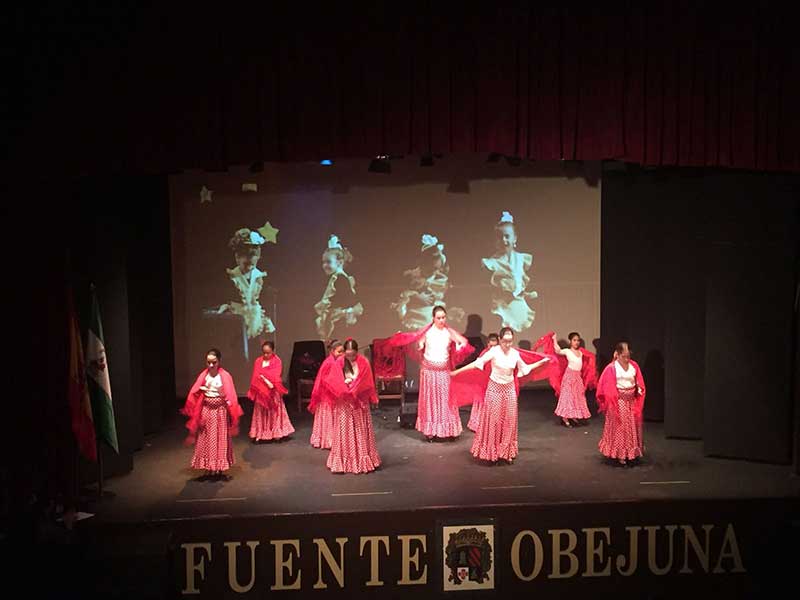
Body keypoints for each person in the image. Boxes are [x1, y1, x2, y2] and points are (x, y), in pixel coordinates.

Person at [452, 327, 550, 463]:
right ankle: (491, 451)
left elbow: (525, 368)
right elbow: (477, 364)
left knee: (509, 421)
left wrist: (541, 362)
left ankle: (505, 452)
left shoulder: (515, 354)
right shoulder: (494, 351)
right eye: (505, 342)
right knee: (494, 421)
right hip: (494, 390)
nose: (508, 345)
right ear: (499, 340)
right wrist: (456, 372)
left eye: (510, 342)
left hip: (509, 390)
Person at [388, 306, 473, 441]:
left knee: (446, 401)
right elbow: (417, 344)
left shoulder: (449, 332)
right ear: (433, 318)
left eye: (443, 317)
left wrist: (458, 347)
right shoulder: (427, 333)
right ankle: (431, 431)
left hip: (443, 372)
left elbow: (463, 343)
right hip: (429, 372)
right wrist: (414, 344)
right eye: (438, 318)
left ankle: (448, 430)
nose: (441, 320)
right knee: (431, 402)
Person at [321, 339, 381, 474]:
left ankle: (362, 459)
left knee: (359, 430)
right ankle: (344, 461)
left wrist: (354, 387)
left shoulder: (363, 362)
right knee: (345, 430)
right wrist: (344, 386)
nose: (350, 357)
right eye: (347, 354)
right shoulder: (339, 362)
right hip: (344, 402)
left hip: (358, 402)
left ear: (357, 352)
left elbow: (366, 382)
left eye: (352, 354)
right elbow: (332, 381)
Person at [181, 349, 243, 479]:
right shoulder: (204, 375)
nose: (210, 365)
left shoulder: (225, 376)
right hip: (207, 411)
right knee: (206, 439)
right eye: (208, 362)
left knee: (219, 439)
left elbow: (231, 397)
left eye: (213, 362)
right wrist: (200, 389)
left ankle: (218, 467)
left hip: (220, 412)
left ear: (219, 362)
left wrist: (224, 396)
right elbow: (195, 391)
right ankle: (208, 466)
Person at [391, 233, 465, 330]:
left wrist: (451, 312)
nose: (434, 271)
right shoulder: (410, 277)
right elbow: (398, 300)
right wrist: (416, 296)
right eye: (431, 268)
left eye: (436, 268)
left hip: (436, 324)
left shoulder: (442, 280)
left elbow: (442, 302)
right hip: (415, 321)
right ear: (423, 263)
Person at [481, 211, 538, 332]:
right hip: (502, 307)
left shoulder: (523, 259)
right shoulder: (491, 263)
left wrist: (527, 294)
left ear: (515, 238)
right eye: (500, 237)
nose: (503, 240)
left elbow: (520, 283)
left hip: (518, 305)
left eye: (507, 236)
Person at [596, 341, 646, 466]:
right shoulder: (612, 368)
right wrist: (612, 399)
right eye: (624, 356)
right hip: (618, 402)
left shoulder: (634, 366)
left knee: (631, 427)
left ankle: (632, 452)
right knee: (620, 428)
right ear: (617, 354)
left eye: (628, 356)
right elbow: (604, 385)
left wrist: (639, 389)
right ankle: (620, 454)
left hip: (631, 402)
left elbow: (638, 380)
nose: (626, 358)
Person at [535, 331, 597, 427]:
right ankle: (565, 418)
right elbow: (558, 351)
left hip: (577, 377)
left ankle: (573, 416)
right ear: (570, 341)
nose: (576, 342)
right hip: (569, 376)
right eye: (574, 340)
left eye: (578, 340)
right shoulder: (567, 351)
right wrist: (554, 339)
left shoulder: (580, 352)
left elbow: (587, 360)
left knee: (577, 397)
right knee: (567, 397)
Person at [314, 234, 364, 339]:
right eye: (323, 262)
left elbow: (348, 298)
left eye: (328, 262)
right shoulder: (335, 277)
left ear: (339, 262)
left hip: (338, 319)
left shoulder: (340, 278)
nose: (324, 265)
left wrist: (334, 307)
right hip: (333, 316)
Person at [247, 340, 294, 442]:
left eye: (268, 352)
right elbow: (256, 375)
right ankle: (261, 433)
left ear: (273, 351)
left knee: (274, 412)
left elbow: (276, 376)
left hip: (272, 392)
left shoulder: (277, 361)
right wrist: (262, 381)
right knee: (262, 412)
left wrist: (267, 380)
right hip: (261, 392)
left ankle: (276, 433)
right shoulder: (258, 361)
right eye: (264, 352)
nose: (266, 354)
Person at [308, 339, 345, 449]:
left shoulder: (337, 362)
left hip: (333, 394)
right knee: (328, 416)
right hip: (327, 396)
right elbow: (325, 380)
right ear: (332, 351)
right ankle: (329, 441)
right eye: (339, 352)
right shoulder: (329, 363)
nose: (341, 354)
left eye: (343, 351)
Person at [466, 333, 499, 432]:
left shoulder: (499, 354)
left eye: (495, 346)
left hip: (494, 382)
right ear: (487, 344)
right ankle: (479, 424)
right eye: (490, 346)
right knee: (481, 402)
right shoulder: (484, 353)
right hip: (483, 383)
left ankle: (492, 424)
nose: (492, 348)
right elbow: (478, 367)